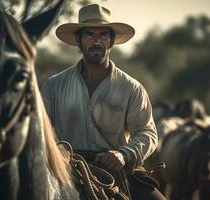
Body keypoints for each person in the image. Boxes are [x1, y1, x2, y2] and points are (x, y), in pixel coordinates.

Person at [42, 4, 165, 200]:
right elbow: (42, 128)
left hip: (116, 169)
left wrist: (123, 154)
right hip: (64, 167)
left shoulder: (131, 87)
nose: (96, 41)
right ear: (79, 41)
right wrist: (57, 150)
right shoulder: (54, 85)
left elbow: (148, 132)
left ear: (111, 41)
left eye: (103, 35)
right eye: (89, 35)